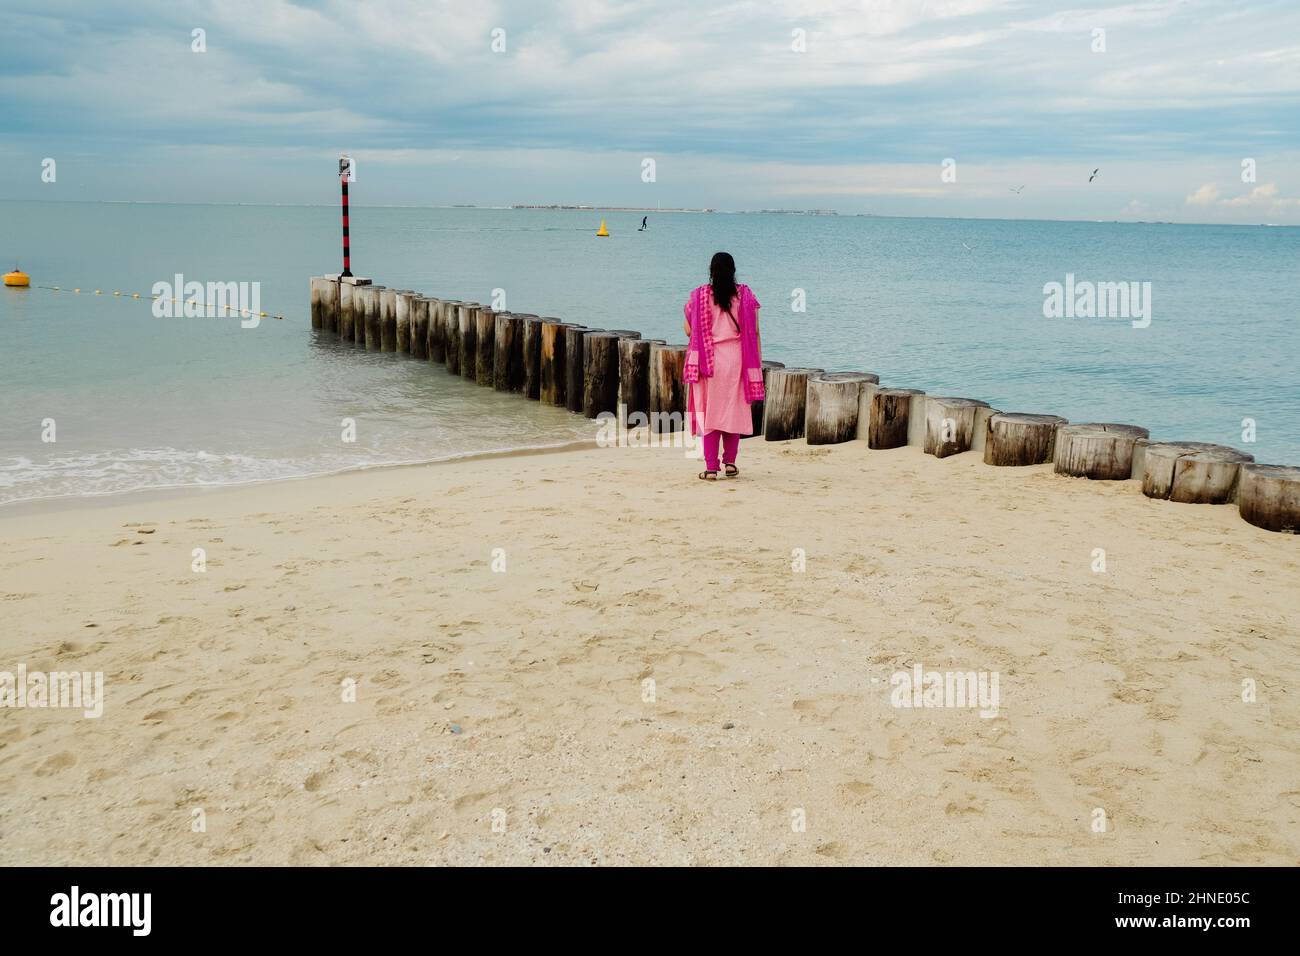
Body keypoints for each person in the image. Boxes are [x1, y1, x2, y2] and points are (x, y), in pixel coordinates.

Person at [682, 252, 763, 480]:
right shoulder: (745, 295)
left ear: (711, 271)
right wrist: (756, 361)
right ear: (733, 270)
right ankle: (730, 463)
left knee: (710, 414)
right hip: (737, 360)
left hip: (709, 362)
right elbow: (754, 331)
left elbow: (689, 331)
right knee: (732, 411)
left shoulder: (699, 296)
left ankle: (710, 468)